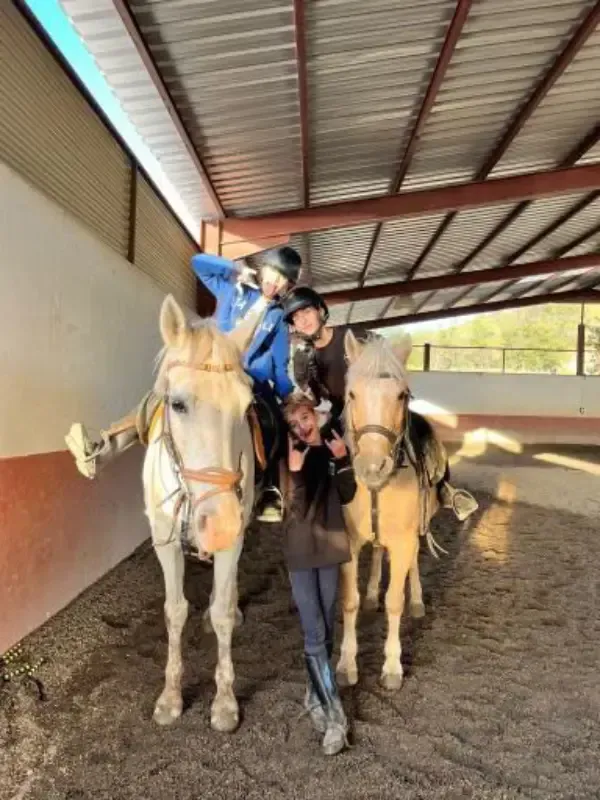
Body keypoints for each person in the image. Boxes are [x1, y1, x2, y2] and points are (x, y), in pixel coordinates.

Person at [65, 246, 301, 521]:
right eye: (272, 271)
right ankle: (102, 451)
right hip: (209, 368)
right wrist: (234, 269)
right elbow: (198, 263)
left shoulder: (278, 320)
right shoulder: (233, 290)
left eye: (283, 278)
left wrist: (289, 395)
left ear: (289, 285)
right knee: (160, 395)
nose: (275, 280)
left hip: (245, 379)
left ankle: (269, 487)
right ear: (262, 270)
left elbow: (279, 366)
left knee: (273, 419)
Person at [282, 287, 478, 522]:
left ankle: (444, 487)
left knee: (422, 428)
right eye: (296, 318)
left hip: (377, 410)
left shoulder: (356, 336)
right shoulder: (304, 358)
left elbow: (390, 358)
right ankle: (321, 502)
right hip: (341, 415)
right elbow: (313, 398)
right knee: (316, 449)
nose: (302, 321)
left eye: (306, 312)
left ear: (320, 311)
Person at [283, 393, 355, 756]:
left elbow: (348, 493)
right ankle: (334, 718)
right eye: (294, 424)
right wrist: (295, 474)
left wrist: (342, 461)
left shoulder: (332, 448)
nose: (302, 426)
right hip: (300, 552)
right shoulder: (291, 458)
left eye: (305, 418)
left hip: (330, 549)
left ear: (315, 416)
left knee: (326, 628)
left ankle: (314, 691)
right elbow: (297, 512)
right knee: (313, 632)